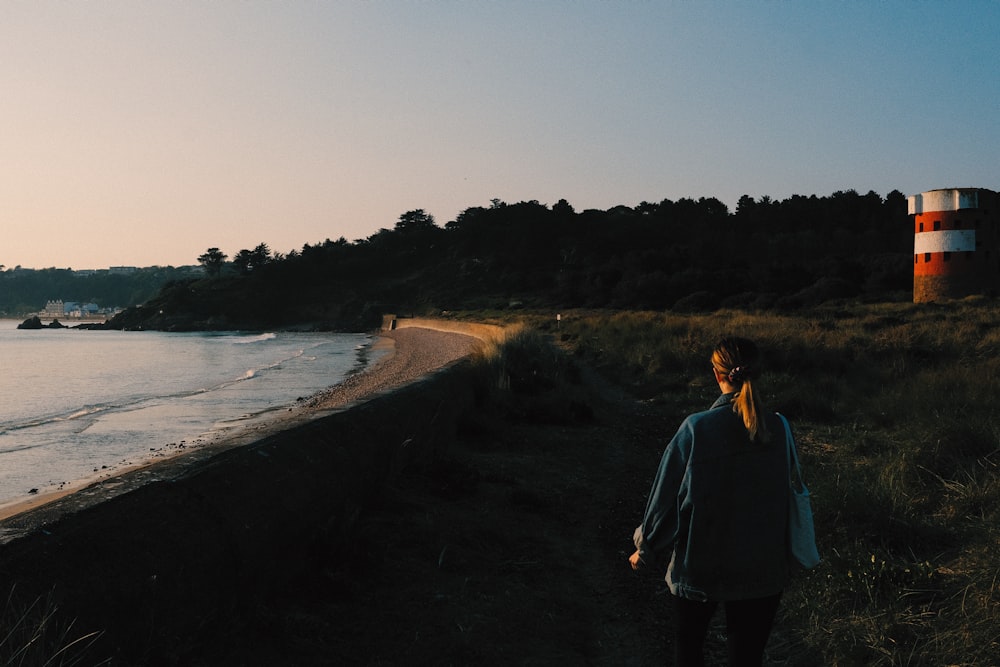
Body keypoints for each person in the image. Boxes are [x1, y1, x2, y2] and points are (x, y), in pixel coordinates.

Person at [629, 336, 790, 667]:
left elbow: (666, 500)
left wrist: (646, 548)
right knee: (746, 659)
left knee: (688, 650)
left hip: (700, 565)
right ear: (757, 373)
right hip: (763, 568)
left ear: (717, 374)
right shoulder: (780, 428)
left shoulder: (696, 428)